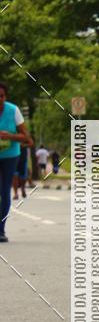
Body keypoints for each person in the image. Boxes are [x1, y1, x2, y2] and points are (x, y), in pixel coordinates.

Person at [0, 82, 30, 241]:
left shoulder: (13, 110)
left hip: (10, 155)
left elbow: (26, 137)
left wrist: (9, 136)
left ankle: (1, 230)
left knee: (5, 190)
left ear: (6, 97)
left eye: (1, 96)